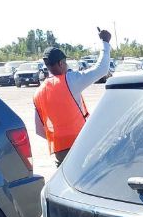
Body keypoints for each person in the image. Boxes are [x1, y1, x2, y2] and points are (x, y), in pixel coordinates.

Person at [33, 27, 112, 166]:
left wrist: (60, 138)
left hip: (60, 152)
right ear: (61, 63)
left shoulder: (38, 93)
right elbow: (101, 69)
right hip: (81, 145)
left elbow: (39, 130)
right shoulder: (70, 80)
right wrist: (105, 42)